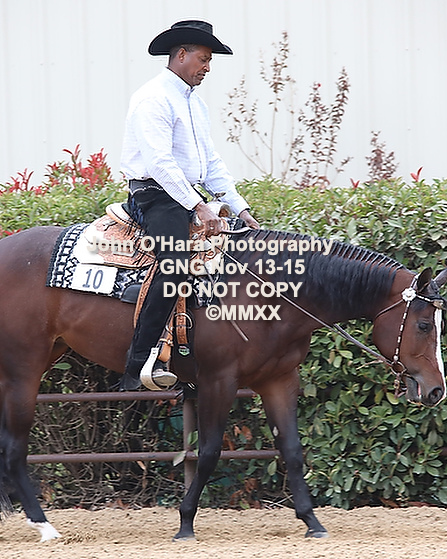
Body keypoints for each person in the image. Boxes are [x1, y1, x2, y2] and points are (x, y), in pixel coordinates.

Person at [119, 20, 259, 391]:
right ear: (181, 54)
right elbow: (160, 163)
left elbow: (211, 163)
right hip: (154, 195)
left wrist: (241, 208)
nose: (208, 67)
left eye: (209, 60)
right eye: (204, 59)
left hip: (184, 195)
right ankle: (138, 363)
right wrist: (200, 206)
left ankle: (196, 356)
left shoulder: (195, 103)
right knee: (175, 264)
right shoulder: (153, 98)